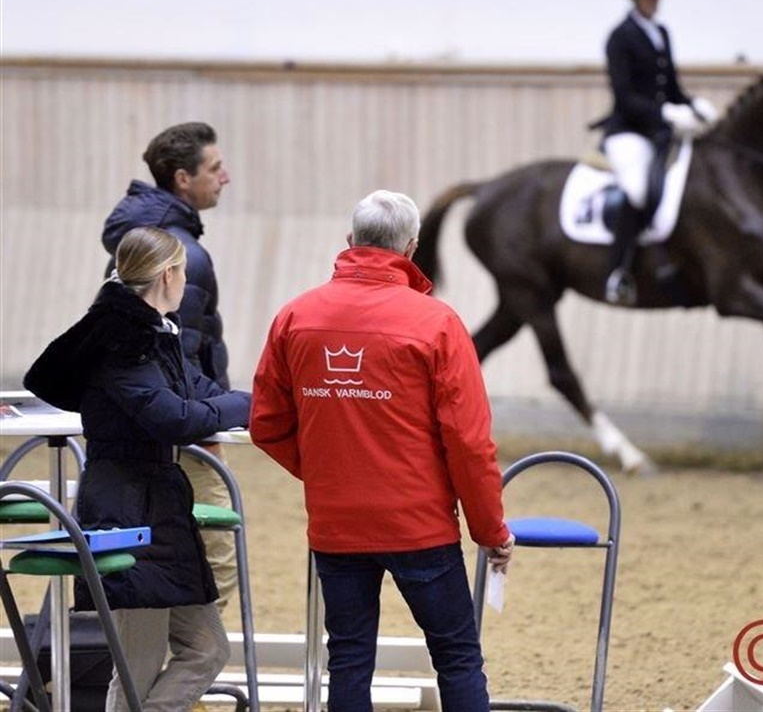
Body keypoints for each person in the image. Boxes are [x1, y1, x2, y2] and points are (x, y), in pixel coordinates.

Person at [250, 190, 514, 712]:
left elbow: (267, 423)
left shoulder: (295, 316)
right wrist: (490, 530)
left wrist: (327, 472)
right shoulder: (437, 323)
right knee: (457, 657)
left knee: (349, 658)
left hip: (337, 521)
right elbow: (468, 441)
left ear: (351, 240)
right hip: (420, 523)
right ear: (411, 248)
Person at [23, 227, 250, 712]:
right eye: (182, 272)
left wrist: (252, 403)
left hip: (157, 504)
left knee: (207, 649)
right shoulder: (125, 342)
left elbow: (198, 392)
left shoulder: (155, 334)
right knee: (137, 667)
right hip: (129, 510)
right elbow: (175, 418)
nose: (185, 281)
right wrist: (247, 406)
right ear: (168, 275)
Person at [101, 121, 240, 614]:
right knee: (216, 555)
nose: (225, 177)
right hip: (183, 433)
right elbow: (183, 354)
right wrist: (211, 423)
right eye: (215, 168)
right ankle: (199, 656)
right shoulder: (184, 257)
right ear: (183, 178)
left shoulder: (137, 242)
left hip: (141, 429)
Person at [597, 0, 718, 305]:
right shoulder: (619, 37)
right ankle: (617, 272)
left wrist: (693, 105)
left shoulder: (661, 33)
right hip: (629, 132)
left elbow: (672, 88)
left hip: (661, 132)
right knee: (637, 190)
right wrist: (664, 113)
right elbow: (624, 96)